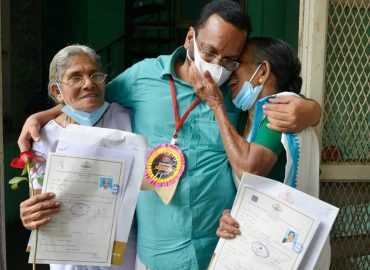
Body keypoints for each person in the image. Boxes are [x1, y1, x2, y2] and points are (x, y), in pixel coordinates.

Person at [17, 1, 322, 269]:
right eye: (209, 51)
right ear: (190, 38)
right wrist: (42, 115)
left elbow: (279, 99)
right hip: (157, 254)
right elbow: (90, 98)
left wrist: (312, 110)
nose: (217, 65)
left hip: (222, 250)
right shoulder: (143, 77)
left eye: (229, 59)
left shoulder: (235, 89)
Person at [191, 37, 329, 269]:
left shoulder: (279, 109)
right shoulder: (250, 118)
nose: (230, 75)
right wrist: (233, 215)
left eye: (237, 65)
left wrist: (216, 105)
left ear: (262, 71)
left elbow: (249, 168)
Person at [19, 44, 136, 270]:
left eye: (95, 75)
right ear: (57, 91)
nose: (89, 83)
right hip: (69, 255)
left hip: (121, 251)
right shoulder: (43, 136)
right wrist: (30, 215)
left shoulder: (126, 117)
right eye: (76, 77)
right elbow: (38, 202)